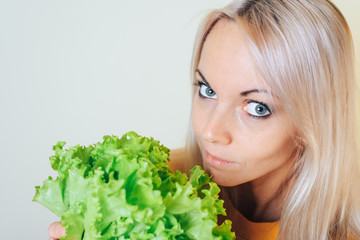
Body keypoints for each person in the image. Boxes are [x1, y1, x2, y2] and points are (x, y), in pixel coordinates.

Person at [48, 0, 360, 239]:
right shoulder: (152, 185)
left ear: (316, 121)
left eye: (257, 108)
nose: (210, 131)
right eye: (207, 90)